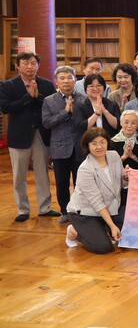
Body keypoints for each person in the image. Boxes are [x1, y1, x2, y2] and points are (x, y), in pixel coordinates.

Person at [0, 52, 58, 221]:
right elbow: (5, 108)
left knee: (42, 172)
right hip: (19, 135)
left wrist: (37, 97)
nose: (30, 66)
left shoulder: (46, 84)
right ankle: (23, 210)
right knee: (19, 174)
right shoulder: (8, 85)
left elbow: (52, 105)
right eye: (25, 63)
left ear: (38, 66)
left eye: (33, 63)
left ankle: (45, 207)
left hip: (41, 133)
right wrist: (28, 97)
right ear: (17, 66)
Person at [63, 128, 125, 254]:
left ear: (107, 142)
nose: (99, 147)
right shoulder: (85, 169)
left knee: (134, 229)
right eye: (94, 143)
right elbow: (97, 202)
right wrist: (113, 226)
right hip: (85, 212)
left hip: (110, 208)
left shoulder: (114, 156)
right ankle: (74, 231)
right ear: (87, 146)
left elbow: (121, 182)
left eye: (102, 142)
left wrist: (127, 177)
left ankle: (102, 228)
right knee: (103, 247)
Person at [42, 66, 84, 221]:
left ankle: (80, 209)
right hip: (59, 146)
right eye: (62, 78)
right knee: (62, 181)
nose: (66, 81)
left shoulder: (83, 98)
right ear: (56, 81)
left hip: (80, 146)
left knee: (81, 181)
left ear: (75, 80)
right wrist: (65, 112)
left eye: (69, 77)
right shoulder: (49, 101)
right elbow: (46, 123)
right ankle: (65, 211)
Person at [74, 74, 121, 153]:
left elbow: (117, 125)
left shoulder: (111, 104)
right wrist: (97, 113)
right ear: (86, 88)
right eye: (91, 86)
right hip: (87, 146)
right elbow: (81, 127)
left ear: (104, 88)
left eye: (99, 85)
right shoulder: (80, 105)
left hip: (109, 144)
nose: (95, 88)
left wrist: (105, 111)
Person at [110, 109, 138, 174]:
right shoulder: (112, 142)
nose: (129, 126)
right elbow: (108, 166)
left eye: (133, 123)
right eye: (126, 122)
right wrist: (124, 156)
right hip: (117, 177)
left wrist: (133, 156)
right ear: (121, 123)